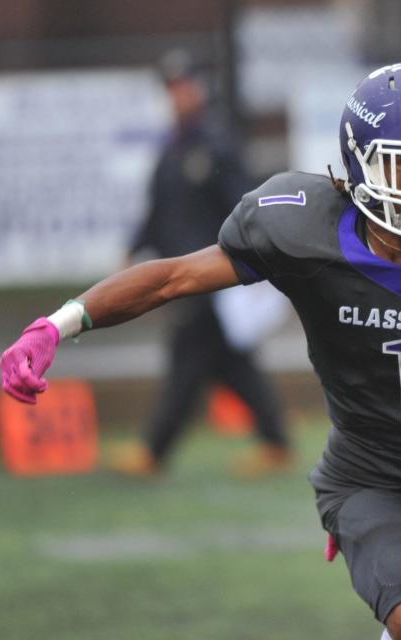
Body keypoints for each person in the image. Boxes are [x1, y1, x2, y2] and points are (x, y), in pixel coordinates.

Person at [0, 61, 401, 640]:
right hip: (371, 479)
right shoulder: (304, 227)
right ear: (359, 164)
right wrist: (58, 323)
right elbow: (173, 278)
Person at [111, 49, 292, 478]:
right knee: (231, 363)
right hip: (178, 270)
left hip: (211, 272)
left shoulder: (216, 144)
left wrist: (254, 257)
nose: (177, 96)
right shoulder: (173, 148)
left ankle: (154, 451)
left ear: (198, 89)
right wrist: (133, 249)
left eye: (183, 86)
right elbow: (158, 211)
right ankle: (276, 442)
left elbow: (243, 203)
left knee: (188, 362)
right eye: (171, 88)